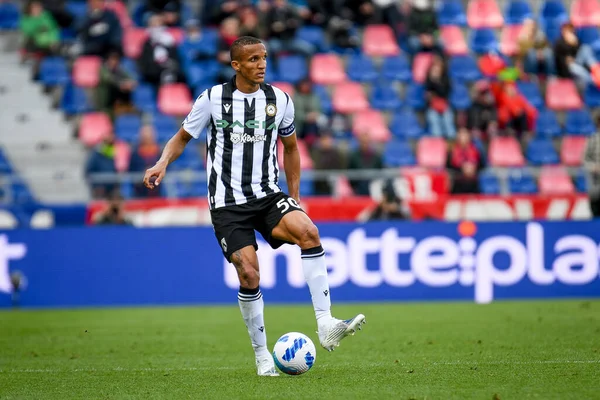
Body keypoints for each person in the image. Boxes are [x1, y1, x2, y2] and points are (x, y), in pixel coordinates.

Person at [142, 36, 365, 376]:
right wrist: (161, 163)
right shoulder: (213, 99)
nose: (261, 64)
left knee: (309, 231)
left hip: (267, 194)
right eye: (253, 59)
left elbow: (290, 149)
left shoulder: (280, 100)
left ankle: (325, 324)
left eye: (264, 57)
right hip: (228, 204)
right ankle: (262, 357)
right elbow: (182, 138)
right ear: (236, 65)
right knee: (248, 273)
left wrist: (295, 197)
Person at [583, 124, 600, 217]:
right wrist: (594, 167)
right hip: (596, 180)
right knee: (596, 209)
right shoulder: (592, 139)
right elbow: (585, 160)